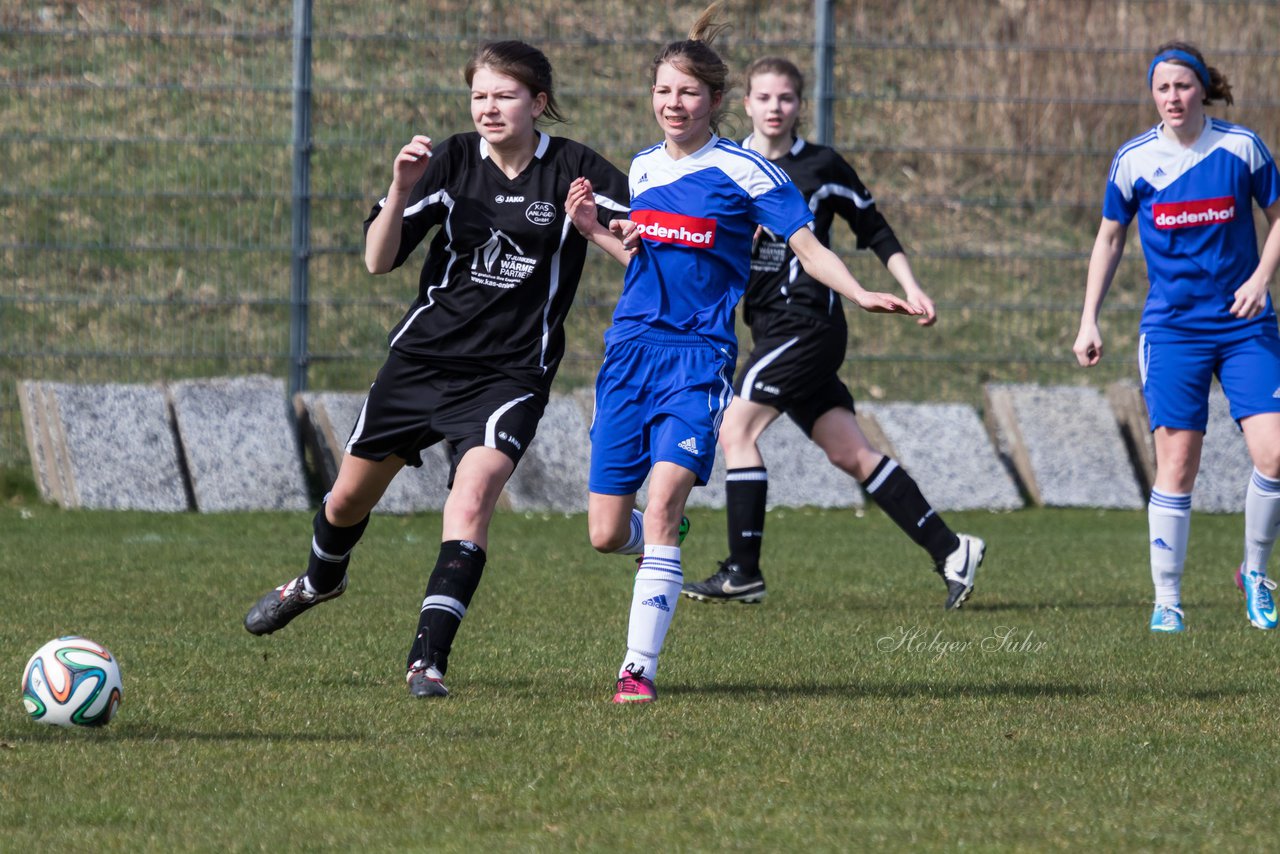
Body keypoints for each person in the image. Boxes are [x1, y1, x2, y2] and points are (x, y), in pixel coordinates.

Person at [243, 40, 631, 697]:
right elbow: (377, 259)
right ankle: (319, 580)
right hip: (421, 360)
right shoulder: (448, 160)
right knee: (344, 501)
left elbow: (639, 254)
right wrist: (398, 188)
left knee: (472, 496)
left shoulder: (576, 169)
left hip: (510, 373)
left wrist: (593, 228)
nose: (489, 108)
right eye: (479, 95)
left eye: (505, 95)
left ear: (538, 103)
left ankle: (428, 661)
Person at [576, 5, 921, 705]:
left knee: (667, 497)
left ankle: (635, 671)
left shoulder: (747, 171)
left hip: (698, 359)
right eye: (664, 91)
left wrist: (859, 291)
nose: (675, 105)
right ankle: (652, 542)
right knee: (607, 532)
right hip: (629, 354)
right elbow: (644, 260)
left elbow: (808, 245)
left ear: (716, 101)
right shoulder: (642, 169)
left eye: (689, 93)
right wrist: (592, 229)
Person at [678, 56, 986, 611]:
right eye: (764, 98)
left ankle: (743, 571)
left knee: (736, 427)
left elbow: (876, 231)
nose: (775, 108)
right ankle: (952, 549)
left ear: (800, 105)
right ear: (745, 103)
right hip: (768, 327)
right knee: (850, 452)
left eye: (786, 98)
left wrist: (912, 288)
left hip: (810, 324)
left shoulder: (823, 166)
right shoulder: (725, 165)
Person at [1073, 41, 1280, 633]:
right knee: (1178, 464)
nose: (1173, 97)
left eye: (1183, 86)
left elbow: (1278, 216)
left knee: (1275, 453)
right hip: (1173, 332)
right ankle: (1168, 600)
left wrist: (1262, 278)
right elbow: (1109, 238)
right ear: (1152, 94)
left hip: (1245, 327)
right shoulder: (1134, 160)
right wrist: (1089, 318)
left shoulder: (1241, 148)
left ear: (1202, 89)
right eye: (1162, 88)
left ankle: (1257, 574)